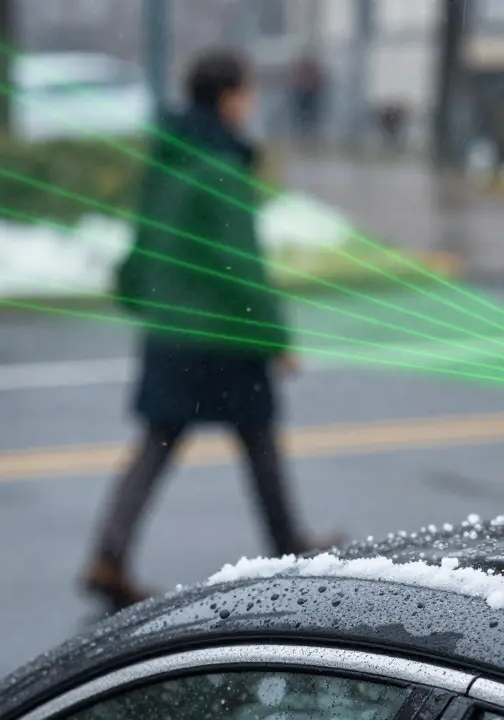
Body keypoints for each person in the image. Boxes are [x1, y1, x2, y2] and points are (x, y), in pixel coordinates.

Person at [83, 49, 338, 611]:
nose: (250, 105)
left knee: (158, 441)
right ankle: (289, 544)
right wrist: (277, 340)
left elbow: (144, 240)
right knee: (258, 434)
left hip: (170, 334)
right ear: (228, 99)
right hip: (222, 337)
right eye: (246, 94)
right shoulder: (220, 165)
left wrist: (134, 292)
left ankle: (109, 552)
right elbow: (239, 265)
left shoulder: (167, 158)